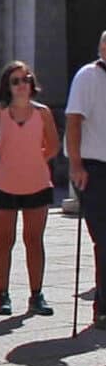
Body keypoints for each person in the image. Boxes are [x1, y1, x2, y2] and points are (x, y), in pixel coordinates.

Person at [0, 61, 60, 316]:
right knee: (4, 241)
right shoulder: (0, 111)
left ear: (32, 83)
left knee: (34, 240)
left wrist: (35, 159)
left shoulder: (43, 113)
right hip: (3, 184)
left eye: (26, 79)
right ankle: (3, 296)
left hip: (37, 183)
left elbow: (53, 146)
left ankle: (36, 294)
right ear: (7, 86)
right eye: (16, 81)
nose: (22, 85)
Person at [66, 30, 106, 331]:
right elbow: (74, 118)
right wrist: (76, 163)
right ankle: (103, 308)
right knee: (103, 239)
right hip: (96, 167)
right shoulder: (87, 76)